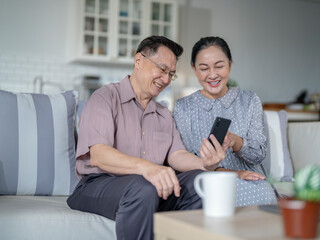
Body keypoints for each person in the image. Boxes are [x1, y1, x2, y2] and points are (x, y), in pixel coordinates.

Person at [67, 36, 228, 240]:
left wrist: (206, 164)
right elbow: (99, 155)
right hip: (97, 184)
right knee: (142, 188)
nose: (166, 79)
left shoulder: (163, 113)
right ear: (138, 61)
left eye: (171, 74)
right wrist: (149, 169)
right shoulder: (105, 98)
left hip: (147, 188)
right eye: (162, 69)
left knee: (200, 182)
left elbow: (176, 154)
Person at [173, 36, 277, 207]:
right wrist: (232, 174)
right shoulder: (183, 107)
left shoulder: (249, 100)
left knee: (262, 194)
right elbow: (187, 160)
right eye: (204, 68)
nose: (212, 75)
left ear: (230, 63)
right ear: (194, 69)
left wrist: (236, 142)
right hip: (206, 178)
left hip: (250, 178)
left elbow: (258, 154)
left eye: (219, 66)